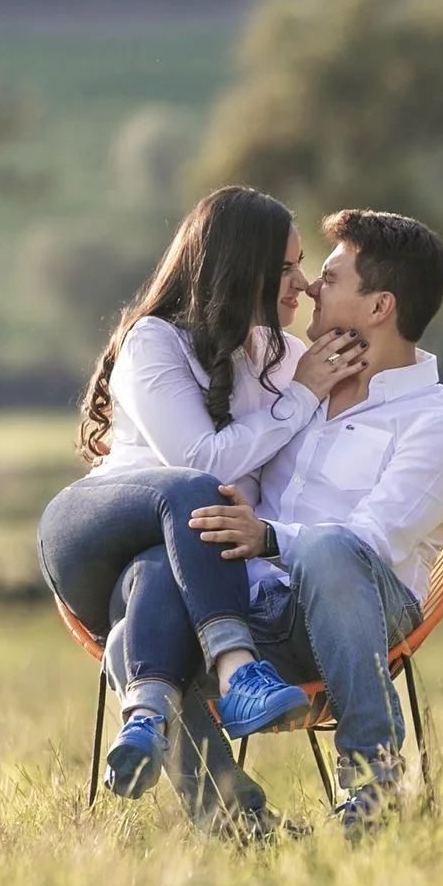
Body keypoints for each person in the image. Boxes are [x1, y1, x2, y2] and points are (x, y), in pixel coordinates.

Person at [121, 209, 443, 838]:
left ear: (379, 307)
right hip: (259, 613)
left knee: (332, 550)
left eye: (332, 277)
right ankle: (235, 821)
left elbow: (370, 544)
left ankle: (373, 785)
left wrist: (267, 537)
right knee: (132, 637)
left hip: (360, 609)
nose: (310, 286)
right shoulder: (293, 382)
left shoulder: (436, 424)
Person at [32, 186, 368, 797]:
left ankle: (153, 727)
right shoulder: (153, 341)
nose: (303, 283)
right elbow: (197, 459)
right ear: (243, 268)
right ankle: (238, 668)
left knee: (168, 559)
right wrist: (301, 396)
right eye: (287, 266)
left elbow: (290, 476)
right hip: (90, 536)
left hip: (171, 570)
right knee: (194, 490)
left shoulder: (283, 355)